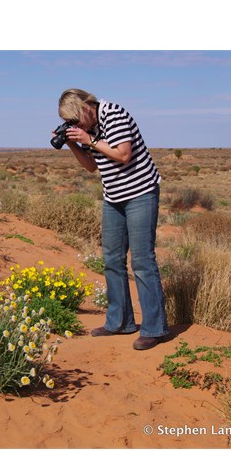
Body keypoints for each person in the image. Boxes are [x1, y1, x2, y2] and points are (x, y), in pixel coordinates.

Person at [57, 88, 169, 350]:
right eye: (69, 123)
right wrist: (74, 142)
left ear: (86, 108)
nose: (75, 125)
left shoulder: (113, 114)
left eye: (76, 120)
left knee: (142, 261)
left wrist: (88, 138)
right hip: (113, 197)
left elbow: (122, 154)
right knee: (111, 260)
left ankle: (155, 328)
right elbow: (91, 166)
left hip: (141, 192)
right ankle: (119, 322)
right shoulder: (89, 128)